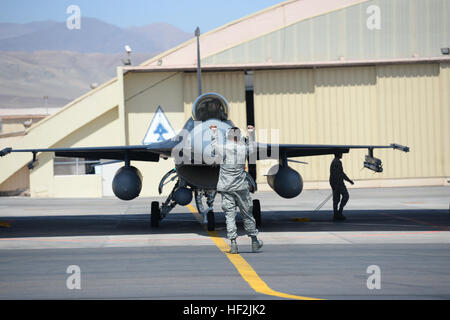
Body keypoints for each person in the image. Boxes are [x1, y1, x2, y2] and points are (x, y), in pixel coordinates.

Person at [209, 124, 263, 254]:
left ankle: (233, 244)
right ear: (238, 136)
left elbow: (213, 147)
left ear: (227, 136)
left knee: (229, 215)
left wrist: (214, 131)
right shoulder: (243, 148)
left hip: (226, 187)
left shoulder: (222, 148)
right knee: (247, 213)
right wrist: (251, 133)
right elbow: (252, 147)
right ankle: (254, 241)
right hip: (241, 187)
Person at [329, 152, 354, 221]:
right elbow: (338, 174)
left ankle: (336, 214)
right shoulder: (337, 162)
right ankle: (339, 212)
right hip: (338, 183)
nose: (342, 155)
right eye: (341, 153)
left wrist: (348, 180)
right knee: (345, 196)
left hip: (336, 183)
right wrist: (336, 185)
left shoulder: (335, 161)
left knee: (336, 199)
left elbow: (340, 173)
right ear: (338, 154)